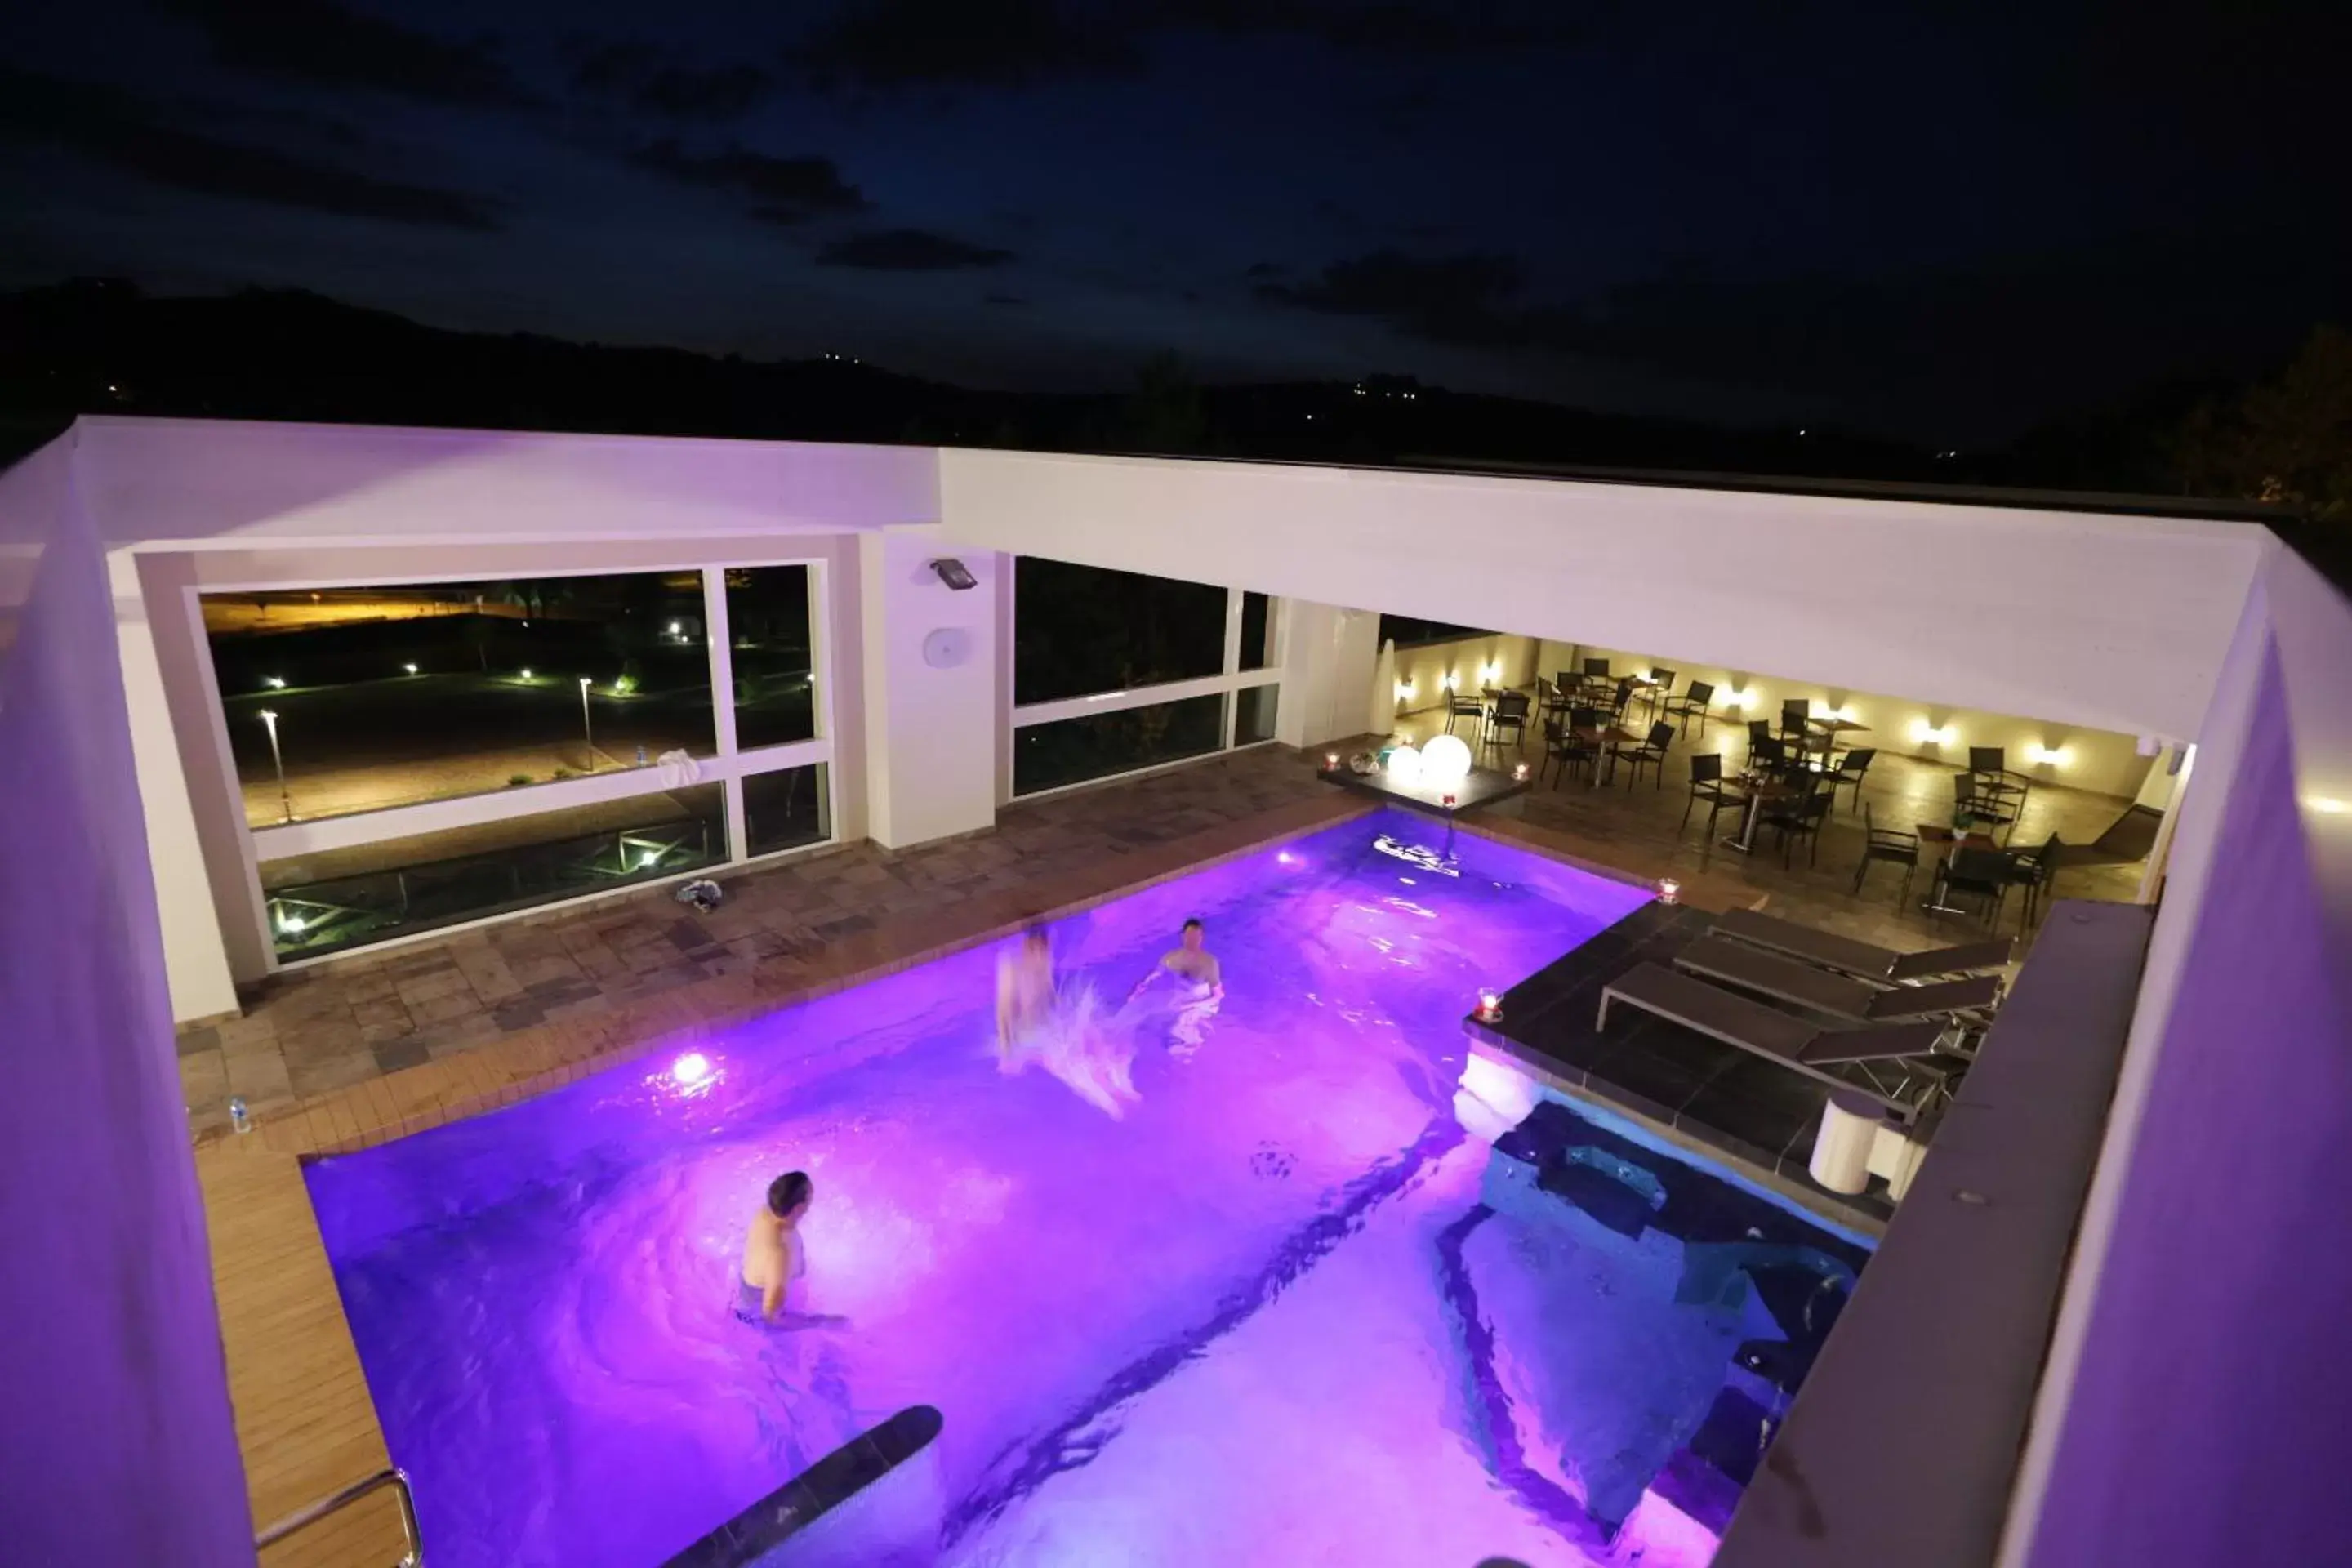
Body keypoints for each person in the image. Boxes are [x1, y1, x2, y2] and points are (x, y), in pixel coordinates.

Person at [1129, 917, 1223, 1055]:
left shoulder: (1209, 963)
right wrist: (1138, 990)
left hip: (1204, 1004)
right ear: (1182, 937)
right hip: (1182, 998)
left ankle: (1195, 1046)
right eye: (1189, 936)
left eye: (1196, 937)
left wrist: (1190, 1005)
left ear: (1201, 938)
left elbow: (1217, 996)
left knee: (1176, 1027)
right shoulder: (1171, 958)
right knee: (1150, 1016)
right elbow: (1154, 975)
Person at [737, 1171, 812, 1325]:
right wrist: (817, 1323)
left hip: (750, 1285)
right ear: (798, 1208)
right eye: (810, 1194)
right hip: (756, 1309)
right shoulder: (780, 1255)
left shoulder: (767, 1212)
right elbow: (771, 1317)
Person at [996, 925, 1057, 1071]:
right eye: (1035, 949)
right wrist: (1006, 1052)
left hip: (1041, 1032)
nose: (1039, 955)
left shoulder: (1044, 962)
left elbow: (1050, 993)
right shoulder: (1010, 966)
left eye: (1043, 949)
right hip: (1023, 1036)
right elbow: (1003, 1012)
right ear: (1026, 947)